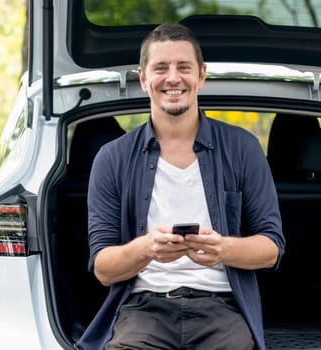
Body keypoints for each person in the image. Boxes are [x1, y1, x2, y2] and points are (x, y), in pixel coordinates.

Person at [77, 23, 285, 350]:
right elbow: (103, 269)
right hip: (143, 310)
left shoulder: (243, 148)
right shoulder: (112, 158)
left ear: (201, 75)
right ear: (143, 78)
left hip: (222, 309)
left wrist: (223, 249)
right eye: (161, 68)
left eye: (183, 67)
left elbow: (271, 248)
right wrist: (147, 249)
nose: (173, 78)